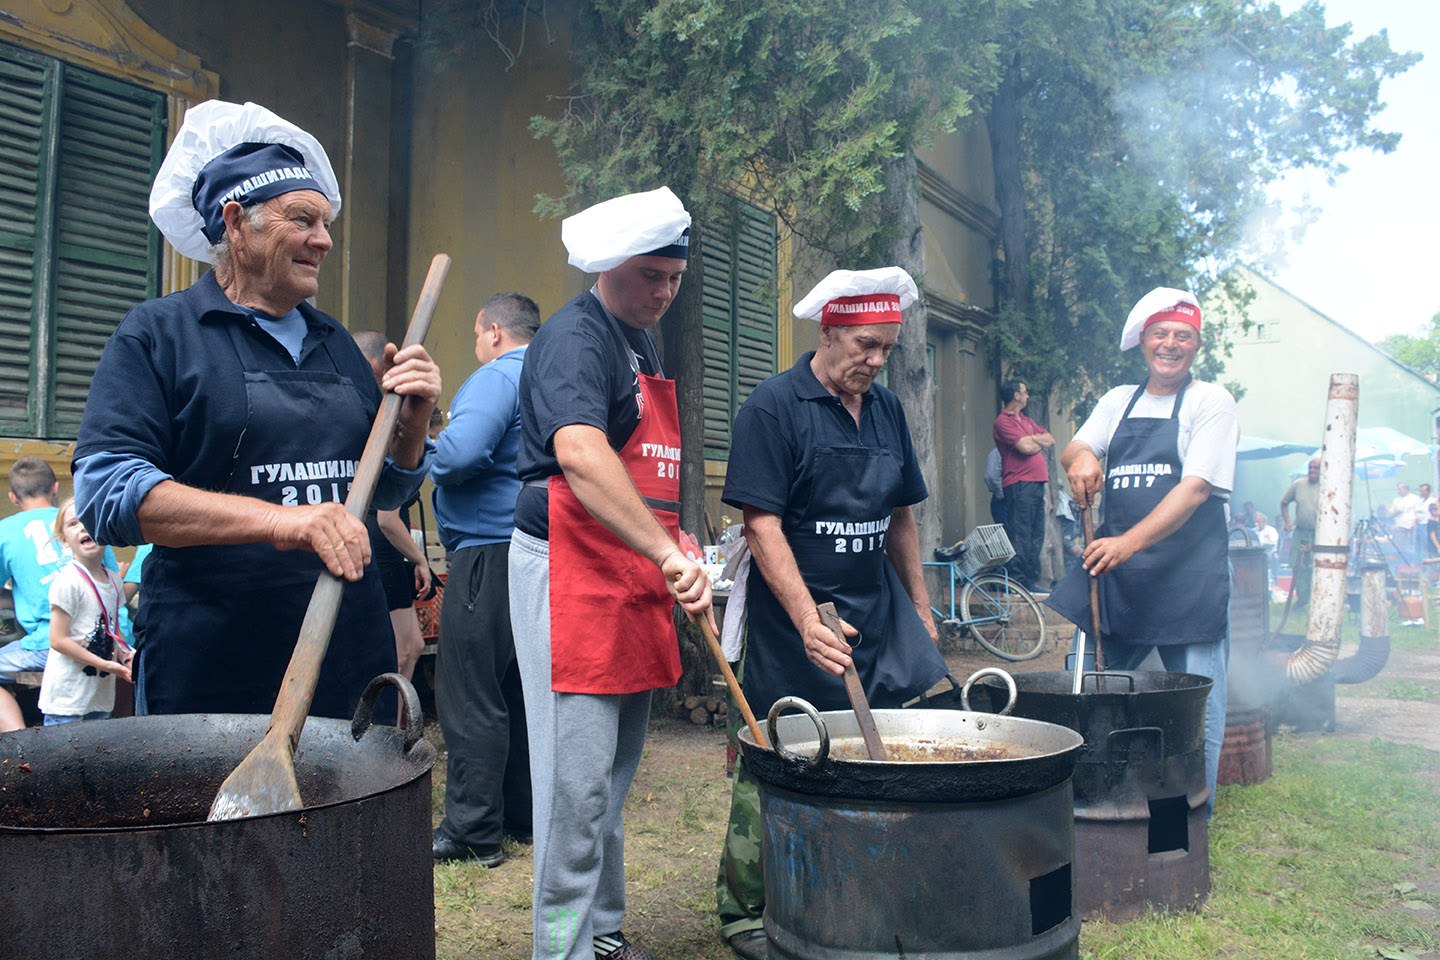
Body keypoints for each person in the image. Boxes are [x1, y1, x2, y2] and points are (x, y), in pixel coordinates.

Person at [72, 100, 440, 720]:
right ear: (236, 222)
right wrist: (283, 522)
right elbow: (108, 494)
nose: (323, 240)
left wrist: (411, 426)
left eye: (325, 224)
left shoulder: (335, 345)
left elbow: (381, 493)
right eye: (303, 219)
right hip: (214, 660)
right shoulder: (159, 335)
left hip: (348, 651)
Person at [714, 267, 949, 960]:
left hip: (873, 615)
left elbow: (900, 515)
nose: (875, 362)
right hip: (795, 619)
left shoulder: (885, 411)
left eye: (886, 350)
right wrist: (806, 621)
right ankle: (746, 910)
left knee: (875, 759)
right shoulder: (773, 408)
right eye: (865, 346)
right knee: (777, 755)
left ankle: (859, 886)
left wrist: (920, 606)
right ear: (828, 332)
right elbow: (762, 526)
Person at [508, 186, 713, 960]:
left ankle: (601, 935)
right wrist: (661, 552)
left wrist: (678, 545)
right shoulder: (574, 339)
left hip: (628, 573)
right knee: (574, 787)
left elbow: (645, 469)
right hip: (572, 572)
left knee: (612, 779)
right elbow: (582, 455)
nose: (662, 293)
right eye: (649, 276)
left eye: (673, 279)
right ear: (610, 267)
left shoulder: (641, 342)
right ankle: (557, 950)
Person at [1047, 286, 1237, 817]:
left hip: (1187, 579)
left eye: (1183, 335)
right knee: (1086, 692)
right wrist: (1080, 457)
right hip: (1120, 579)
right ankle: (1085, 803)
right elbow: (1076, 445)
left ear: (1196, 344)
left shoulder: (1210, 402)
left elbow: (1195, 488)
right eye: (1161, 334)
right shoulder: (1117, 400)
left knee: (1198, 702)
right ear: (1143, 342)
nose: (1171, 344)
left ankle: (1195, 815)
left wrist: (1129, 542)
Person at [430, 291, 541, 868]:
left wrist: (427, 450)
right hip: (537, 554)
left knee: (470, 691)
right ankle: (520, 816)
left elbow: (460, 455)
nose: (478, 346)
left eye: (477, 336)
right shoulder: (552, 375)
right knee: (519, 692)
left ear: (494, 330)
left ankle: (473, 829)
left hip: (486, 554)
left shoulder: (498, 376)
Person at [0, 458, 117, 731]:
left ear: (13, 498)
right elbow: (111, 586)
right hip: (106, 639)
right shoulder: (87, 523)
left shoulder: (5, 531)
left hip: (47, 644)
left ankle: (18, 741)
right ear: (55, 488)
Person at [353, 329, 433, 682]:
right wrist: (419, 560)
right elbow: (387, 516)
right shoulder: (373, 422)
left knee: (408, 647)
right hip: (380, 550)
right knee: (405, 649)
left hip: (383, 550)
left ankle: (397, 729)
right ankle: (390, 731)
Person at [39, 499, 132, 725]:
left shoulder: (113, 581)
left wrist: (128, 656)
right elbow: (58, 640)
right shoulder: (67, 582)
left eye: (88, 520)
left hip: (99, 697)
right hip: (67, 699)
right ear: (64, 540)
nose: (82, 527)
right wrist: (106, 665)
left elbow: (114, 631)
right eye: (73, 524)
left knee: (96, 756)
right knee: (61, 757)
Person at [993, 379, 1054, 591]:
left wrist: (1032, 438)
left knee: (1036, 534)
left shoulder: (1026, 420)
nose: (1028, 396)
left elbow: (1050, 439)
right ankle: (1017, 581)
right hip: (1020, 484)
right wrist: (1034, 440)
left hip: (1036, 485)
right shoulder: (1003, 421)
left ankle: (1029, 580)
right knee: (1021, 533)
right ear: (1016, 396)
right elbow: (1025, 447)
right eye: (1025, 392)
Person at [1279, 455, 1320, 604]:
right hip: (1301, 532)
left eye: (1316, 468)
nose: (1312, 470)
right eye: (1311, 467)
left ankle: (1315, 598)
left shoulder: (1327, 487)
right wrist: (1287, 522)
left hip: (1319, 534)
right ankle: (1302, 598)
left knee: (1316, 564)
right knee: (1296, 563)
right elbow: (1284, 502)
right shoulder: (1299, 484)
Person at [1386, 482, 1424, 562]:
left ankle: (1412, 563)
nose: (1398, 491)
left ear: (1406, 489)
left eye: (1400, 489)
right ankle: (1400, 563)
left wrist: (1415, 522)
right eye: (1398, 489)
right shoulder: (1396, 500)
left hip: (1410, 527)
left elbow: (1418, 512)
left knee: (1411, 548)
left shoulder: (1415, 498)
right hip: (1399, 527)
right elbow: (1391, 514)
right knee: (1399, 548)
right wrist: (1396, 513)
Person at [1253, 511, 1279, 589]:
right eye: (1255, 522)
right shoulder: (1253, 531)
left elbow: (1272, 544)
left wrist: (1261, 546)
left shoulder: (1271, 530)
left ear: (1264, 522)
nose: (1256, 524)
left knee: (1270, 576)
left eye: (1258, 522)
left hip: (1270, 556)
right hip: (1257, 557)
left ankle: (1271, 591)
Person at [984, 447, 1007, 524]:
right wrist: (1003, 494)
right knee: (1005, 533)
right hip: (1004, 500)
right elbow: (991, 477)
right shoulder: (998, 452)